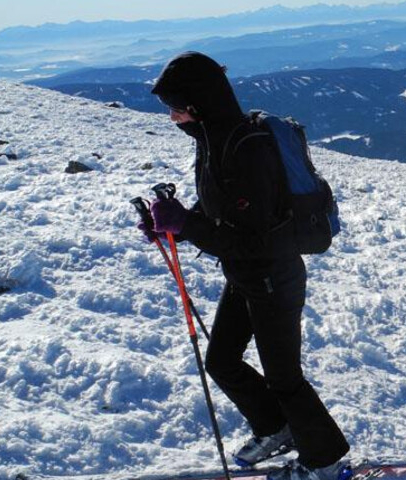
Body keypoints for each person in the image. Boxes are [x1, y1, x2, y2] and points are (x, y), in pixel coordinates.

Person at [145, 51, 350, 480]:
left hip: (273, 275)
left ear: (199, 104)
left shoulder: (245, 149)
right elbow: (222, 217)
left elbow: (255, 239)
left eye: (177, 109)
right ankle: (276, 428)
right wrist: (174, 227)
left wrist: (186, 224)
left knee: (284, 379)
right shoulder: (215, 141)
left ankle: (327, 460)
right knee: (221, 360)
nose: (174, 119)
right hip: (246, 274)